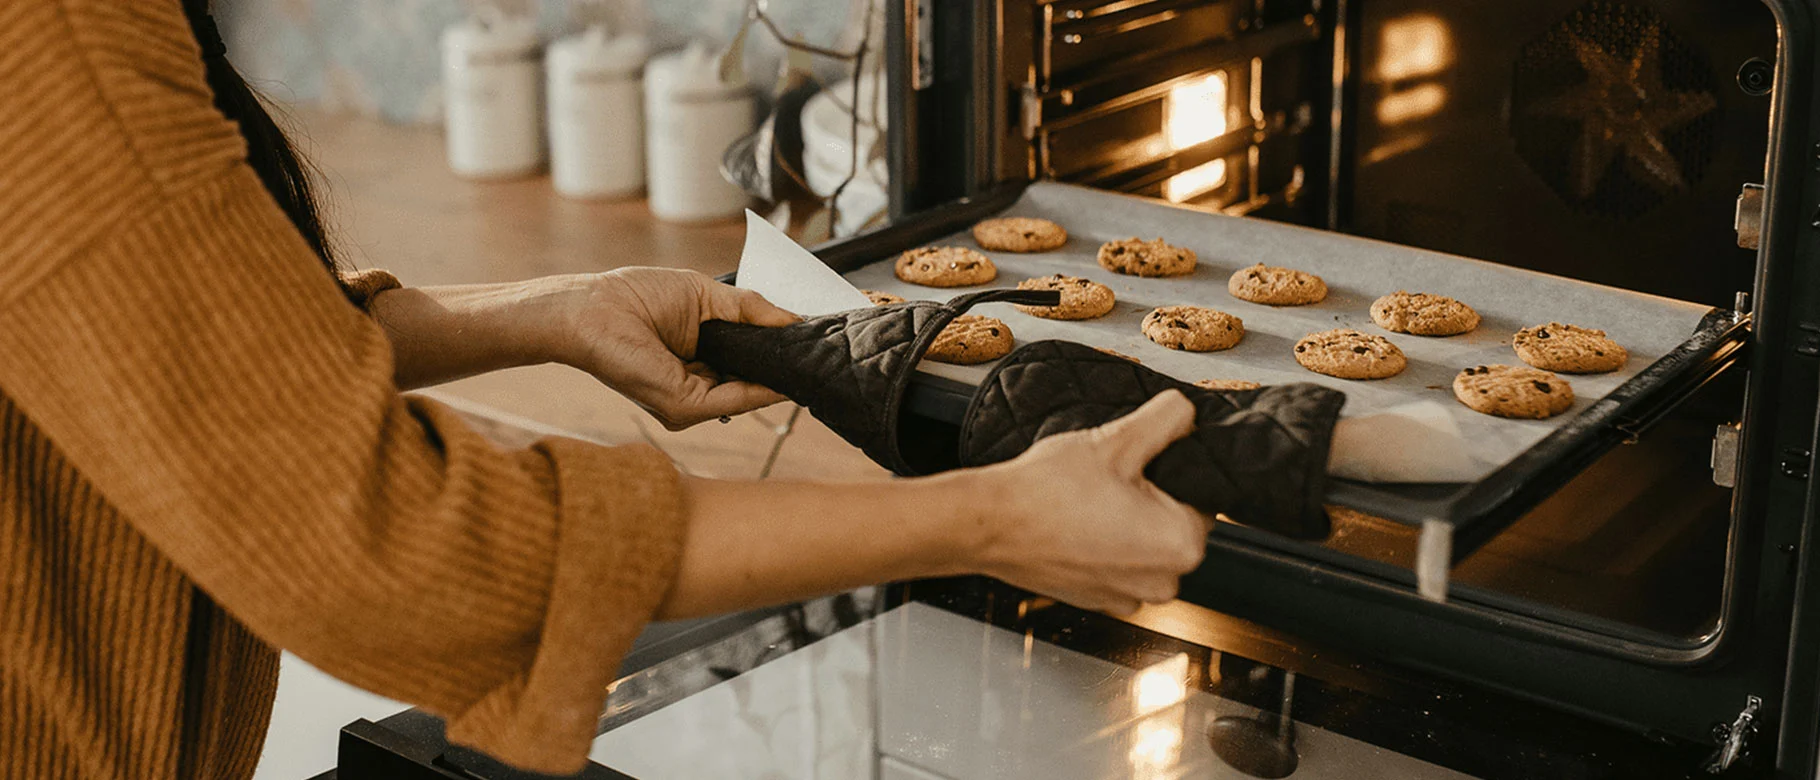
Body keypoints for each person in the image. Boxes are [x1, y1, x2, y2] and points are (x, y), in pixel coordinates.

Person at [0, 1, 1212, 777]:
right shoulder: (58, 43)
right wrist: (993, 521)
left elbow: (170, 345)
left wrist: (555, 312)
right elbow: (395, 550)